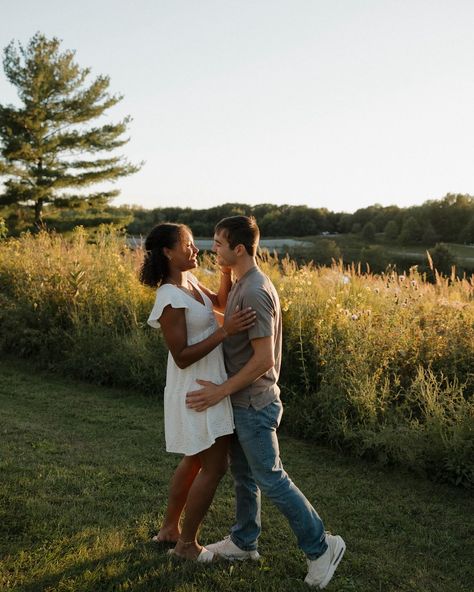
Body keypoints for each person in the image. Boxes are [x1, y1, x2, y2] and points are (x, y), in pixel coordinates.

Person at [186, 216, 345, 588]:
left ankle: (321, 547)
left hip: (254, 403)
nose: (213, 249)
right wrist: (214, 294)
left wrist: (220, 390)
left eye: (219, 243)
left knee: (271, 478)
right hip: (242, 402)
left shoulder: (256, 289)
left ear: (238, 249)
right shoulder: (243, 281)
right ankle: (244, 541)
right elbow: (232, 321)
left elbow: (262, 361)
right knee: (245, 476)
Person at [140, 222, 256, 562]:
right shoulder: (169, 298)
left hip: (207, 383)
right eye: (188, 245)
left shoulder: (189, 282)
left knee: (194, 459)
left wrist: (225, 271)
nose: (195, 250)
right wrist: (225, 332)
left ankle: (170, 530)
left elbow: (219, 302)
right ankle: (187, 546)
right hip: (197, 390)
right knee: (214, 466)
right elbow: (182, 356)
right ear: (168, 252)